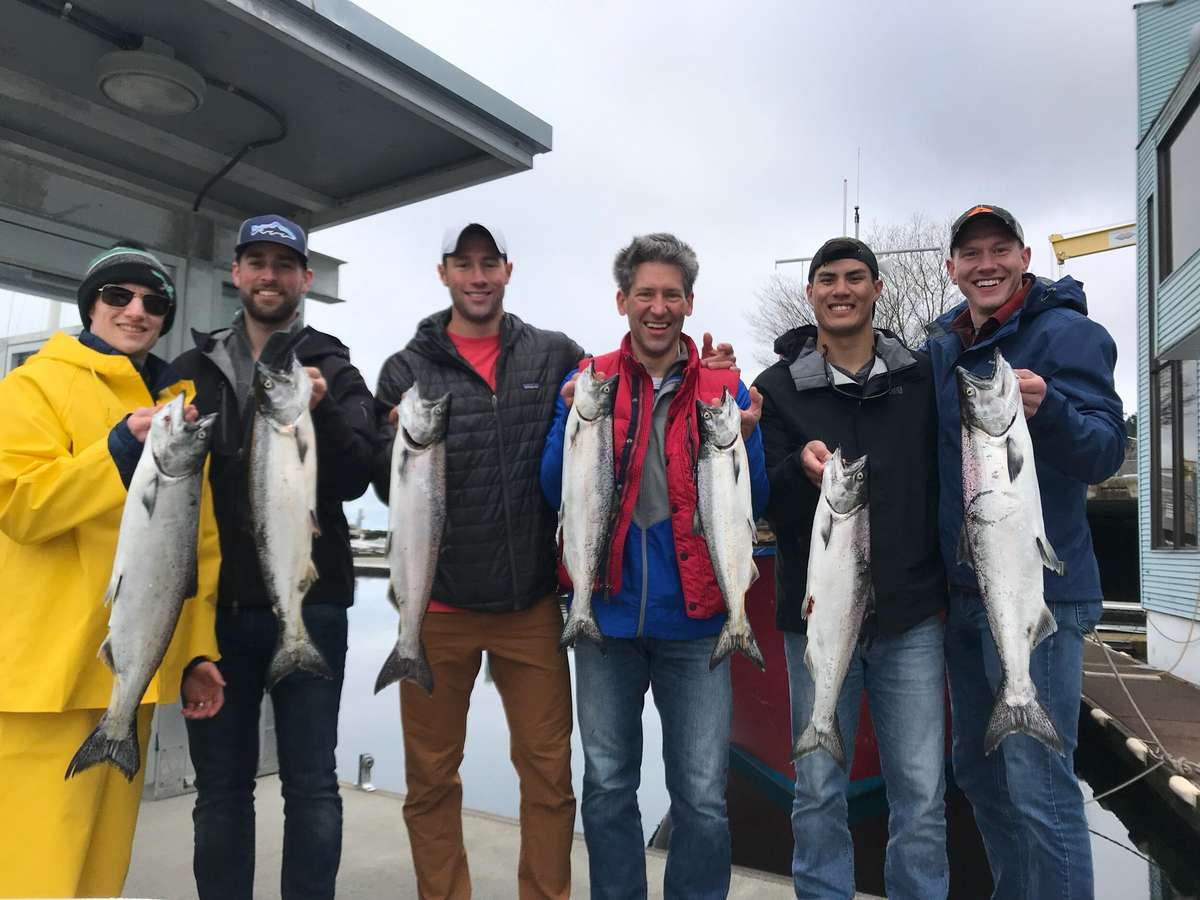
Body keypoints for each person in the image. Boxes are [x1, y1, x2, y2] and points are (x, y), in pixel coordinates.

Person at [540, 232, 767, 900]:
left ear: (690, 303)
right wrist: (568, 420)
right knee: (607, 786)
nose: (659, 307)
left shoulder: (724, 386)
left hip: (698, 626)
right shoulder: (591, 381)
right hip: (605, 620)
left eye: (672, 294)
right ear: (623, 301)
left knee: (701, 797)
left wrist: (747, 441)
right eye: (646, 293)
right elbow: (554, 488)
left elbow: (758, 497)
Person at [0, 242, 224, 898]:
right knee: (33, 870)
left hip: (128, 681)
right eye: (118, 296)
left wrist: (193, 653)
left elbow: (195, 550)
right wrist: (119, 446)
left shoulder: (171, 409)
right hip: (43, 683)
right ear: (90, 303)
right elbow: (21, 504)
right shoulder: (33, 386)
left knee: (101, 874)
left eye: (155, 303)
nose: (137, 311)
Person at [174, 215, 377, 900]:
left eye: (284, 264)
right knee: (222, 790)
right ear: (236, 273)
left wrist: (318, 412)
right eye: (256, 261)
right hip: (218, 612)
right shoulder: (191, 368)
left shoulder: (336, 365)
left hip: (311, 607)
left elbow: (356, 479)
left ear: (305, 280)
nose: (269, 275)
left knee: (313, 784)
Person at [927, 204, 1125, 899]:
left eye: (999, 250)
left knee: (1039, 783)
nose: (985, 264)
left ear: (1025, 257)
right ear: (950, 269)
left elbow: (1104, 452)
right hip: (962, 593)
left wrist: (1057, 412)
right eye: (970, 254)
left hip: (1041, 591)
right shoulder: (943, 346)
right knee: (980, 777)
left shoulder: (1070, 335)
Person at [752, 236, 949, 899]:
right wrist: (793, 469)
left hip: (911, 616)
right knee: (816, 790)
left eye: (855, 278)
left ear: (876, 290)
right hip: (815, 619)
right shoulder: (775, 389)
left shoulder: (920, 378)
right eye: (827, 279)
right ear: (810, 294)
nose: (841, 289)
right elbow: (763, 491)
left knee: (921, 796)